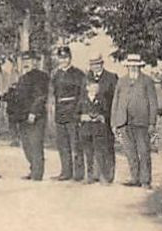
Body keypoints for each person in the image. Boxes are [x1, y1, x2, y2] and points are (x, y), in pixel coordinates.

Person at [110, 54, 158, 188]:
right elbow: (116, 101)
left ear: (140, 66)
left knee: (143, 151)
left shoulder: (147, 81)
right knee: (130, 151)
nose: (133, 68)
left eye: (136, 65)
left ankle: (145, 180)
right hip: (124, 121)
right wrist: (114, 122)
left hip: (141, 122)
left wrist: (152, 122)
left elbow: (153, 102)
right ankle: (134, 178)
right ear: (127, 66)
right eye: (130, 65)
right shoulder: (121, 81)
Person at [10, 52, 49, 181]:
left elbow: (41, 97)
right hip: (22, 116)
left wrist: (33, 112)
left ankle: (37, 174)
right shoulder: (23, 77)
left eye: (32, 61)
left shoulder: (41, 77)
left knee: (35, 143)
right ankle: (33, 169)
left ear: (36, 62)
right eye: (25, 61)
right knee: (26, 144)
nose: (28, 63)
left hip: (35, 116)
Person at [50, 45, 87, 180]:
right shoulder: (55, 75)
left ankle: (79, 173)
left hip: (73, 113)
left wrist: (78, 111)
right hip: (60, 113)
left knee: (76, 144)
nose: (63, 60)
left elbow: (82, 94)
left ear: (70, 58)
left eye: (65, 57)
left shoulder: (78, 74)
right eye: (61, 58)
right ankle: (66, 172)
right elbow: (54, 94)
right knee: (63, 145)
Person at [75, 66, 113, 183]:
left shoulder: (102, 99)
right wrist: (82, 117)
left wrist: (101, 116)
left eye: (96, 86)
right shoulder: (82, 100)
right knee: (88, 154)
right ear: (87, 88)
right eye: (92, 86)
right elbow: (75, 114)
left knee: (99, 153)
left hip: (98, 130)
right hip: (86, 131)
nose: (94, 88)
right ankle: (89, 176)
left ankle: (103, 176)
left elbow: (106, 112)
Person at [86, 56, 119, 183]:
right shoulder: (87, 78)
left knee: (107, 145)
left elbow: (115, 99)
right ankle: (95, 173)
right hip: (91, 118)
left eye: (98, 64)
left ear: (102, 64)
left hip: (107, 117)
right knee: (93, 144)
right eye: (92, 64)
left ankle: (108, 174)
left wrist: (111, 116)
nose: (95, 66)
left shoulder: (111, 77)